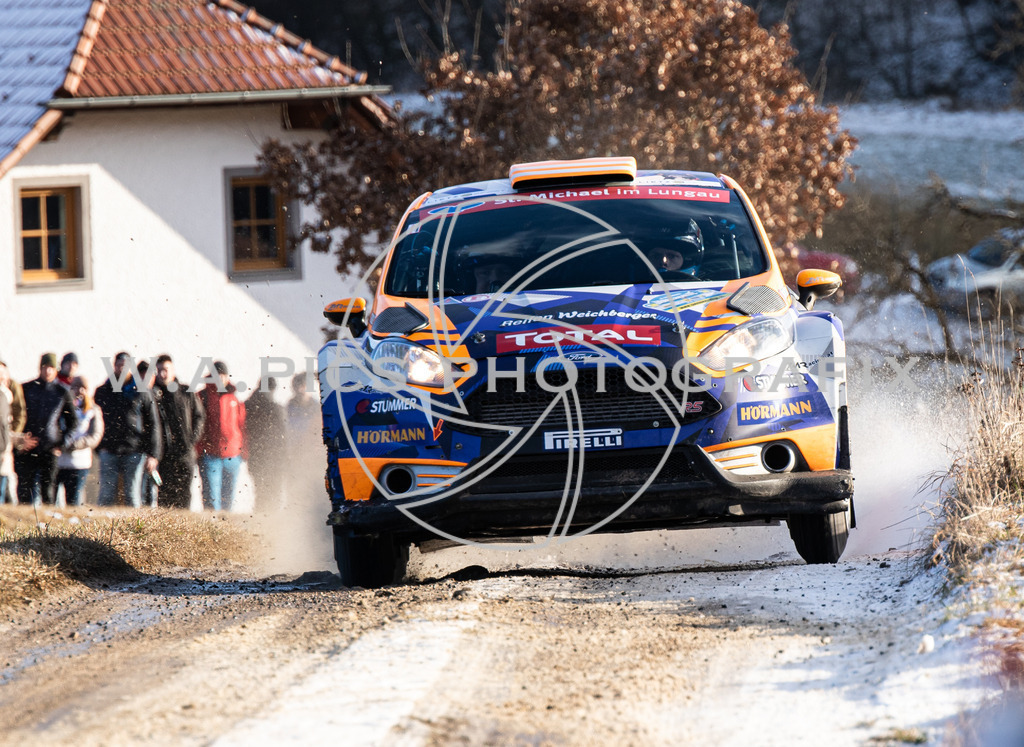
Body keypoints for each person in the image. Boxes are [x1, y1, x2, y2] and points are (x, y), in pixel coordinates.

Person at [93, 352, 162, 508]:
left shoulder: (142, 391)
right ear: (114, 366)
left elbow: (153, 424)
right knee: (106, 494)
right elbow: (95, 420)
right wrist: (99, 447)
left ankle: (135, 529)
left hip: (134, 451)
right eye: (119, 365)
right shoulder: (103, 391)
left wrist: (153, 454)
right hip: (109, 450)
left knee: (132, 494)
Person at [15, 353, 77, 505]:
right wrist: (19, 440)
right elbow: (17, 415)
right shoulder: (26, 388)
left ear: (56, 369)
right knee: (24, 490)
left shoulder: (62, 392)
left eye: (51, 367)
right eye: (45, 367)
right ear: (40, 368)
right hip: (27, 447)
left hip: (50, 448)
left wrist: (61, 444)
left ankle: (48, 523)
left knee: (48, 491)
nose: (47, 371)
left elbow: (73, 423)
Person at [152, 354, 205, 510]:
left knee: (184, 491)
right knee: (164, 493)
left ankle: (184, 525)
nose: (163, 374)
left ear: (173, 370)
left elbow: (199, 417)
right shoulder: (153, 394)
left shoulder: (186, 392)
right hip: (163, 454)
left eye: (166, 369)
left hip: (185, 452)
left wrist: (191, 439)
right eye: (160, 370)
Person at [197, 361, 246, 511]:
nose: (220, 378)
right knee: (211, 497)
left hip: (232, 454)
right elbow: (197, 425)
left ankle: (227, 527)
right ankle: (212, 528)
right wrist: (198, 450)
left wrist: (244, 450)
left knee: (228, 496)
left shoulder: (234, 398)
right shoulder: (202, 396)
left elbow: (242, 425)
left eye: (223, 375)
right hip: (210, 454)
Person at [55, 376, 104, 506]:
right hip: (60, 459)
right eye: (75, 387)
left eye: (83, 388)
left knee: (74, 499)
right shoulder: (62, 405)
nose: (79, 391)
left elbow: (95, 435)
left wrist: (77, 444)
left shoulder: (93, 410)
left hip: (79, 462)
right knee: (54, 500)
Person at [244, 376, 286, 511]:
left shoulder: (248, 405)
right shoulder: (276, 408)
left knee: (260, 489)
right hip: (273, 455)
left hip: (255, 453)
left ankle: (261, 514)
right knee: (273, 489)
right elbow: (283, 435)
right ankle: (270, 515)